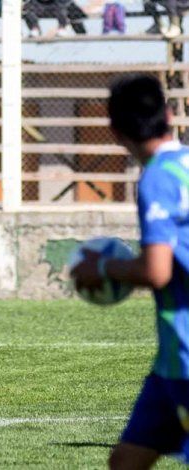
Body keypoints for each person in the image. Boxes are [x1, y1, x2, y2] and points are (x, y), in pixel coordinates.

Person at [72, 74, 189, 469]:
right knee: (124, 462)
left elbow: (156, 271)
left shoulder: (156, 177)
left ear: (115, 131)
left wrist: (102, 266)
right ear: (169, 114)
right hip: (169, 364)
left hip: (186, 355)